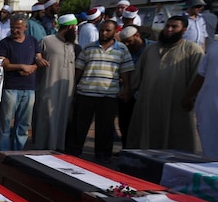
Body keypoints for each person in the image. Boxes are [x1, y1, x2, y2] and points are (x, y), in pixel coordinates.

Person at [128, 16, 203, 152]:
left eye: (174, 27)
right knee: (144, 140)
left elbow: (198, 77)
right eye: (167, 26)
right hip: (148, 104)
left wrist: (191, 98)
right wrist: (127, 91)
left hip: (175, 104)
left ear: (184, 30)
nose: (169, 29)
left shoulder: (192, 50)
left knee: (176, 143)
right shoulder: (150, 49)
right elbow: (137, 75)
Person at [72, 19, 133, 162]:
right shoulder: (88, 48)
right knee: (79, 127)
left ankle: (103, 156)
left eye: (108, 30)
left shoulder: (122, 50)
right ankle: (74, 153)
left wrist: (127, 90)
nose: (104, 33)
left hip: (108, 95)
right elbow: (78, 70)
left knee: (105, 129)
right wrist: (73, 89)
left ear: (114, 32)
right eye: (102, 30)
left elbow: (126, 73)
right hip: (86, 93)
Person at [0, 14, 47, 151]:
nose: (15, 31)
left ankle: (18, 151)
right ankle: (3, 151)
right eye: (12, 28)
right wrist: (21, 67)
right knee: (5, 123)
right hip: (11, 87)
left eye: (18, 28)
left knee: (24, 124)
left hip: (29, 88)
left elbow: (38, 59)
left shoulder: (33, 41)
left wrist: (32, 69)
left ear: (25, 27)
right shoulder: (4, 43)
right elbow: (4, 64)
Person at [33, 14, 78, 152]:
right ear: (70, 27)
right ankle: (41, 146)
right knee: (45, 115)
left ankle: (58, 146)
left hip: (67, 89)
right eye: (74, 28)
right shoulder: (47, 41)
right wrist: (37, 59)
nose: (75, 31)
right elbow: (36, 57)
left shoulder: (73, 45)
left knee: (62, 116)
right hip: (47, 86)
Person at [183, 39, 218, 158]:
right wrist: (188, 96)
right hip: (209, 108)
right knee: (210, 153)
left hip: (209, 108)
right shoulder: (215, 47)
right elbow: (201, 75)